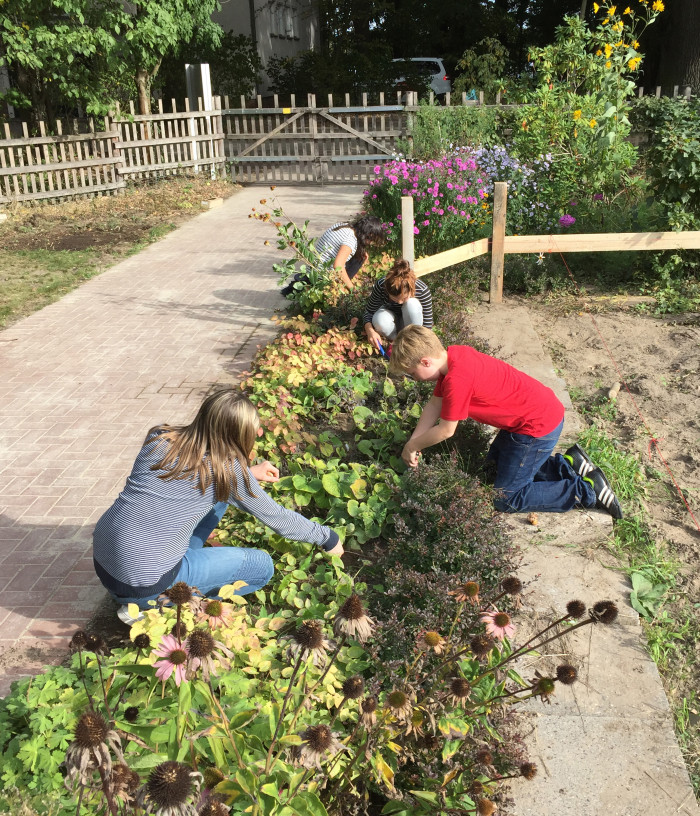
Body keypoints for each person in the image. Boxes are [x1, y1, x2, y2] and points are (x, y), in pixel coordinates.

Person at [93, 389, 343, 624]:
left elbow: (184, 480)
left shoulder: (159, 438)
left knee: (219, 501)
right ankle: (154, 607)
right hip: (145, 584)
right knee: (262, 566)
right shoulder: (227, 473)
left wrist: (248, 474)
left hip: (105, 563)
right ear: (235, 436)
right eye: (251, 432)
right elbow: (277, 518)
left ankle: (169, 579)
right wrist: (328, 538)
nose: (257, 436)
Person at [388, 325, 623, 518]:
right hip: (530, 417)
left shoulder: (457, 380)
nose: (414, 379)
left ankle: (586, 491)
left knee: (506, 498)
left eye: (412, 373)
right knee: (494, 470)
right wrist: (414, 441)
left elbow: (446, 430)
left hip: (536, 427)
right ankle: (568, 466)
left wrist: (413, 447)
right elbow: (434, 406)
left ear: (426, 361)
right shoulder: (455, 357)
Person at [281, 214, 385, 296]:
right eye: (372, 241)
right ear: (369, 235)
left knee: (361, 254)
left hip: (314, 269)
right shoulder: (350, 241)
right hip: (323, 276)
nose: (371, 244)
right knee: (359, 258)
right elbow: (338, 266)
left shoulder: (345, 226)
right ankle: (342, 288)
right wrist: (353, 290)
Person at [363, 259, 434, 352]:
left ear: (411, 290)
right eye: (394, 299)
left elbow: (427, 327)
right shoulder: (381, 285)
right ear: (387, 291)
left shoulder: (422, 290)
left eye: (404, 298)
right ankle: (397, 344)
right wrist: (370, 332)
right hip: (392, 323)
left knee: (411, 304)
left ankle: (411, 344)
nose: (400, 302)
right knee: (379, 319)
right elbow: (369, 312)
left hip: (413, 325)